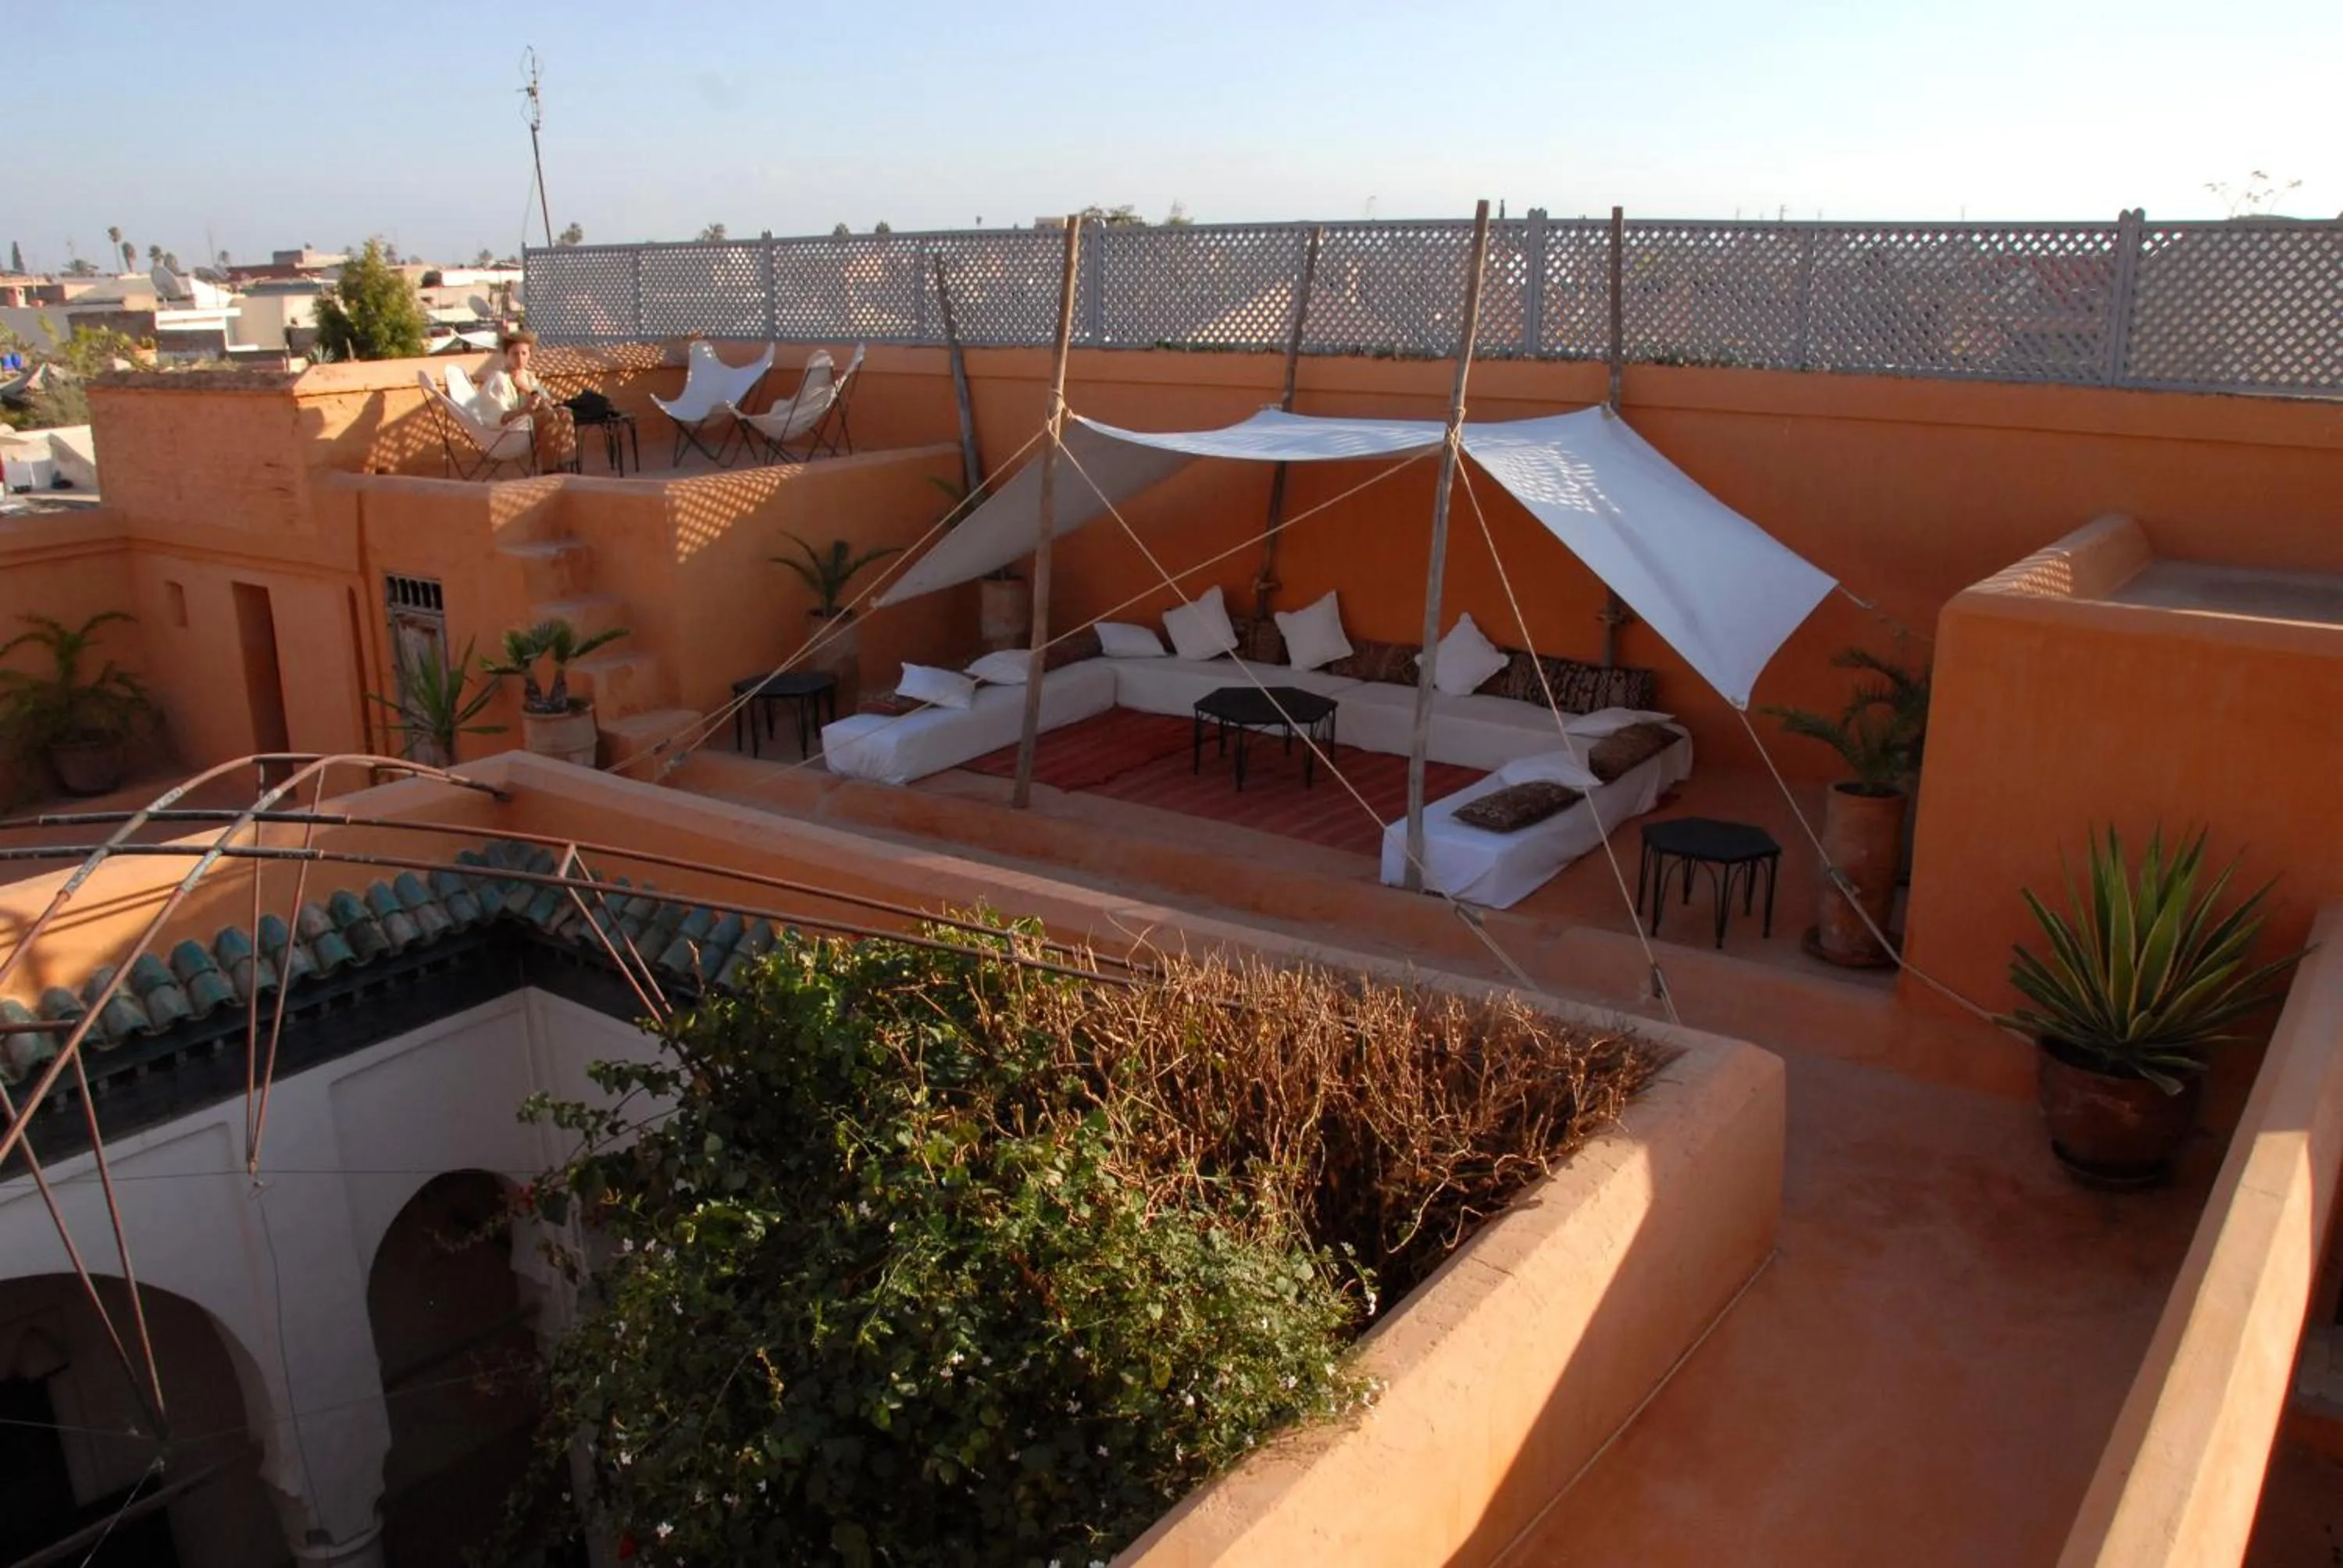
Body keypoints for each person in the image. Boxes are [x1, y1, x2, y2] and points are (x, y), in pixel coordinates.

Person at [476, 328, 577, 472]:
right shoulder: (498, 379)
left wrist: (526, 389)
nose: (520, 358)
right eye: (515, 353)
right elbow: (496, 418)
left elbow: (548, 403)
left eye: (524, 353)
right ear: (506, 355)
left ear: (530, 354)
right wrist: (525, 410)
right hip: (509, 434)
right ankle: (551, 472)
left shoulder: (528, 377)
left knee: (564, 413)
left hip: (529, 428)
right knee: (550, 416)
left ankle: (566, 466)